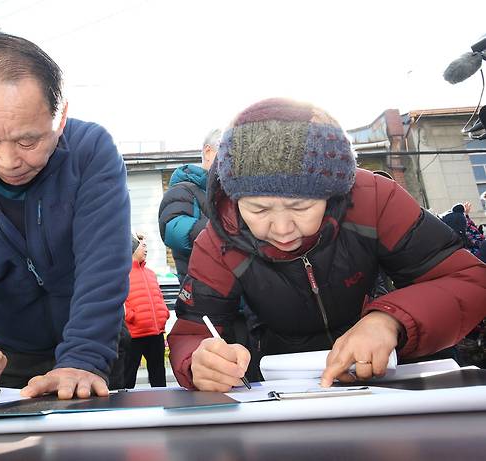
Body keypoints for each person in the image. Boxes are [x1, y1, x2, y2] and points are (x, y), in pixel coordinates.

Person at [167, 98, 486, 392]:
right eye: (258, 210)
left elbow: (467, 281)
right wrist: (199, 361)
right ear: (234, 199)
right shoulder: (219, 238)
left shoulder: (372, 198)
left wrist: (390, 320)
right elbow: (193, 329)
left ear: (333, 192)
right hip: (288, 387)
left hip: (395, 375)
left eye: (302, 208)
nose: (281, 229)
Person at [0, 32, 131, 401]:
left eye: (28, 141)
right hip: (8, 356)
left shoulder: (91, 153)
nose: (10, 161)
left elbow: (103, 265)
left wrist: (83, 358)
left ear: (60, 117)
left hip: (95, 348)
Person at [158, 129, 221, 283]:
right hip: (203, 295)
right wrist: (229, 231)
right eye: (229, 153)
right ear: (208, 152)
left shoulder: (230, 192)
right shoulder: (183, 189)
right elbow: (174, 230)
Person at [123, 233, 170, 388]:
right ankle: (123, 407)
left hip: (155, 334)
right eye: (142, 245)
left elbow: (159, 297)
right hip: (134, 335)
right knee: (127, 377)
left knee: (158, 376)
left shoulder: (150, 273)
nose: (146, 249)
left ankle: (161, 406)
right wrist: (131, 317)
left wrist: (164, 314)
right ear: (132, 248)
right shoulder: (122, 274)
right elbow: (119, 302)